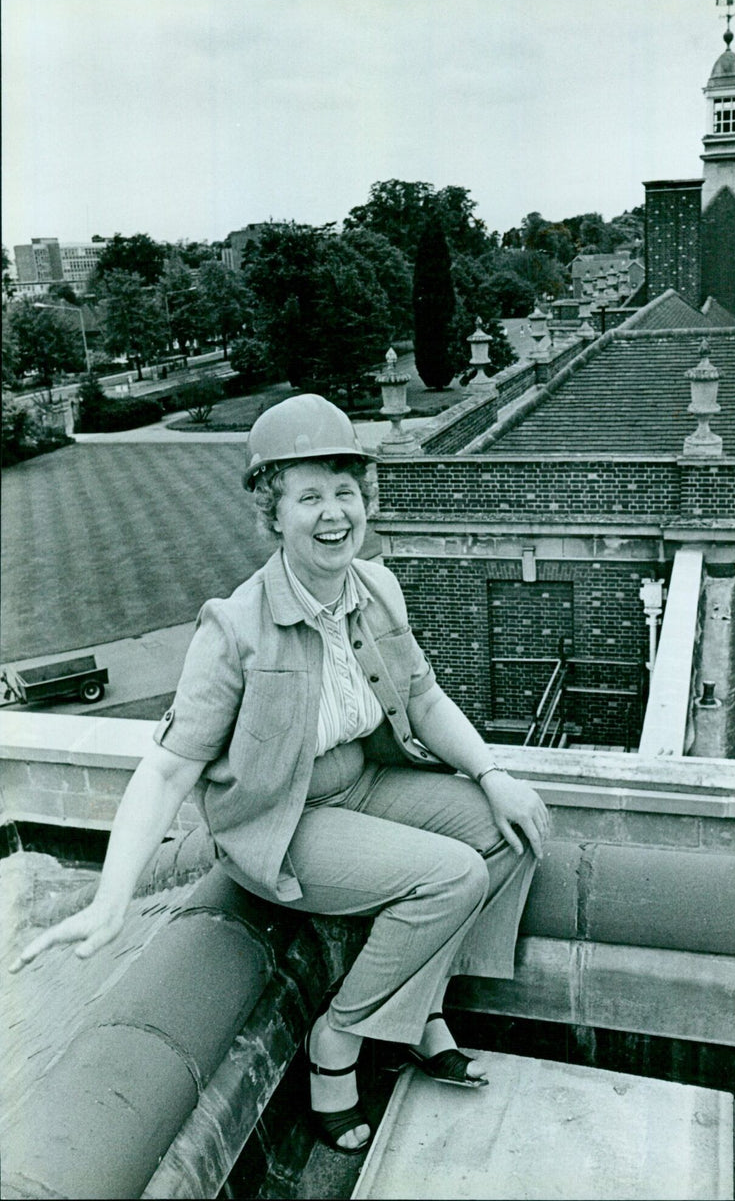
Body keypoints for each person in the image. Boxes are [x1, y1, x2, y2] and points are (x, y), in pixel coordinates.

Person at [10, 394, 550, 1154]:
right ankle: (340, 1040)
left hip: (363, 784)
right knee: (451, 875)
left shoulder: (376, 589)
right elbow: (165, 774)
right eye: (309, 497)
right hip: (281, 824)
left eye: (346, 492)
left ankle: (420, 1007)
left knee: (518, 830)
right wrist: (111, 898)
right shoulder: (233, 629)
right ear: (273, 513)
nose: (334, 514)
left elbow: (422, 698)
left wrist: (493, 774)